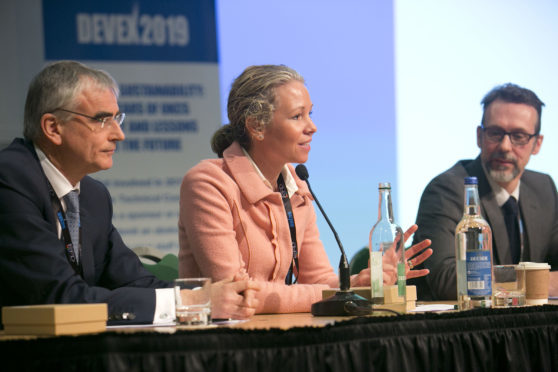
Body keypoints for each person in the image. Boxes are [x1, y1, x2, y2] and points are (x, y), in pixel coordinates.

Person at [0, 60, 259, 325]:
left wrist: (212, 295)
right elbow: (62, 297)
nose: (119, 134)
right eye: (102, 120)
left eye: (117, 119)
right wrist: (189, 303)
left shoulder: (93, 195)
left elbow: (134, 279)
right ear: (53, 127)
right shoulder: (10, 179)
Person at [178, 64, 432, 313]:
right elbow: (238, 294)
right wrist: (337, 291)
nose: (312, 127)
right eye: (297, 116)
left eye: (310, 114)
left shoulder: (297, 189)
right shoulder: (208, 184)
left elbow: (319, 278)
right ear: (256, 126)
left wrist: (360, 282)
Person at [411, 83, 558, 300]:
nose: (506, 146)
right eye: (495, 133)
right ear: (479, 136)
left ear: (537, 144)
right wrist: (538, 282)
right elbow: (449, 280)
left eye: (518, 136)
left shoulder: (543, 187)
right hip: (459, 328)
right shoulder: (446, 191)